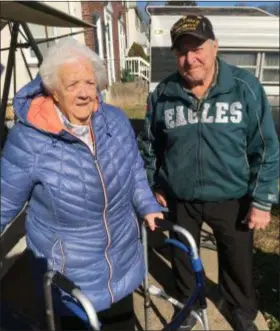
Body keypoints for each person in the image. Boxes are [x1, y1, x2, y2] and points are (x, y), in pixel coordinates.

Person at [0, 38, 163, 330]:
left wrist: (147, 204)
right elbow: (4, 202)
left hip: (123, 264)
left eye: (90, 82)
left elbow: (134, 170)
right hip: (71, 278)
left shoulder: (114, 120)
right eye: (73, 84)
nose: (85, 93)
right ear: (53, 91)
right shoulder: (28, 140)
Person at [138, 15, 279, 331]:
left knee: (237, 260)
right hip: (180, 195)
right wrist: (152, 183)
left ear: (215, 47)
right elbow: (148, 145)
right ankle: (189, 306)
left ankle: (240, 308)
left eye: (197, 48)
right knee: (183, 258)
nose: (190, 59)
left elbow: (266, 148)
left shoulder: (244, 87)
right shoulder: (163, 94)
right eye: (181, 51)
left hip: (233, 196)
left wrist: (262, 201)